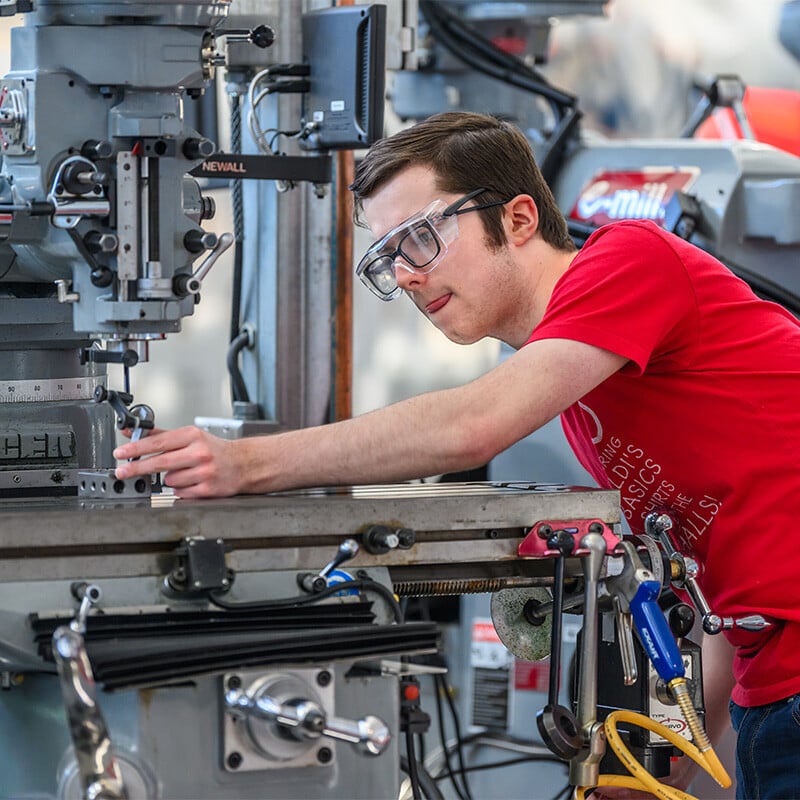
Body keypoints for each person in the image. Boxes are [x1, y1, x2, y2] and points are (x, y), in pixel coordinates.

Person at [114, 111, 800, 799]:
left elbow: (474, 424)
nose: (408, 276)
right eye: (389, 258)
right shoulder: (585, 395)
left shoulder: (631, 259)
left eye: (421, 237)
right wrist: (672, 749)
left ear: (521, 218)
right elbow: (719, 569)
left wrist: (245, 464)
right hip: (770, 686)